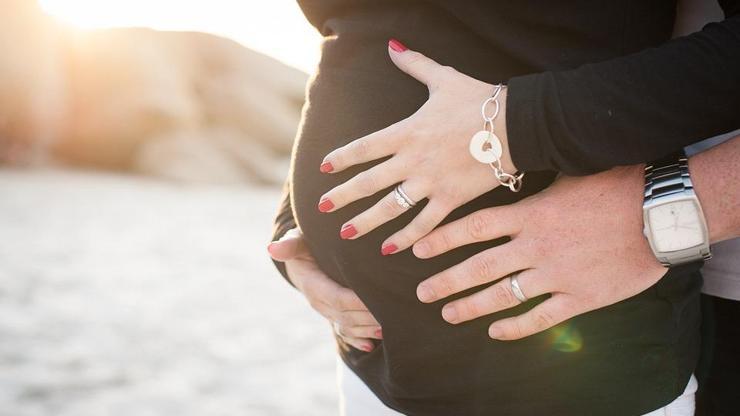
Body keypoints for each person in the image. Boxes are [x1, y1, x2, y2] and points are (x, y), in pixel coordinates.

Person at [270, 1, 739, 414]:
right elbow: (363, 36)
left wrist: (514, 127)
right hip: (371, 361)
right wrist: (299, 216)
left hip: (568, 376)